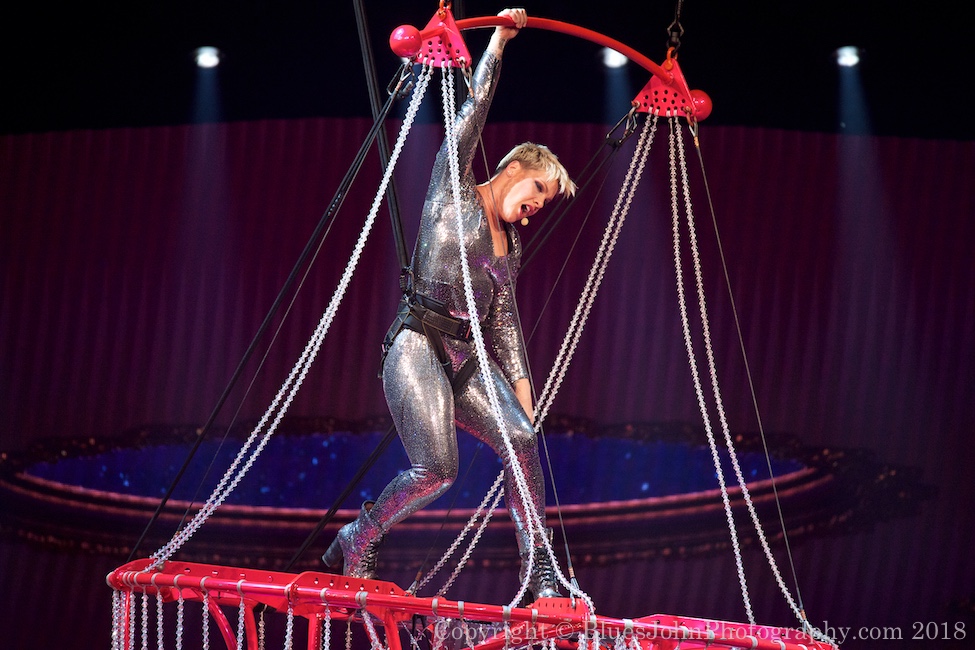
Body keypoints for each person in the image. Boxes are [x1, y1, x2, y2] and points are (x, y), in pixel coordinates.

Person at [323, 8, 576, 600]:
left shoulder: (509, 245)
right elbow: (471, 113)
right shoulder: (454, 188)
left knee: (521, 440)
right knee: (437, 471)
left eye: (545, 202)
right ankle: (360, 535)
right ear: (515, 168)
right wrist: (499, 44)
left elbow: (506, 325)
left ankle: (538, 568)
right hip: (416, 345)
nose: (538, 205)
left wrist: (523, 405)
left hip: (466, 356)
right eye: (537, 189)